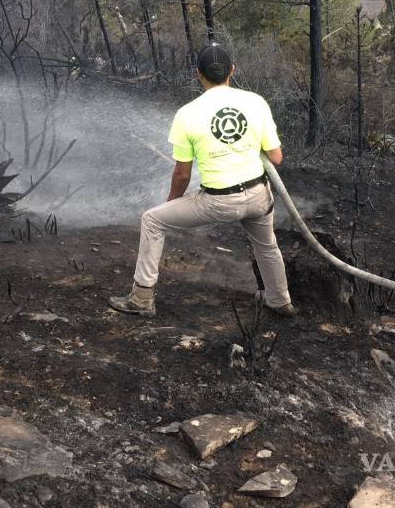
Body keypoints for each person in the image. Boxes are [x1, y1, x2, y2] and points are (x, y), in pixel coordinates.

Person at [109, 44, 297, 318]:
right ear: (232, 70)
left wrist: (172, 202)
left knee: (153, 220)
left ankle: (141, 298)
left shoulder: (187, 114)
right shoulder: (256, 102)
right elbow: (276, 158)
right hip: (258, 195)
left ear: (199, 74)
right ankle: (280, 301)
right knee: (267, 245)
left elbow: (182, 174)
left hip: (218, 202)